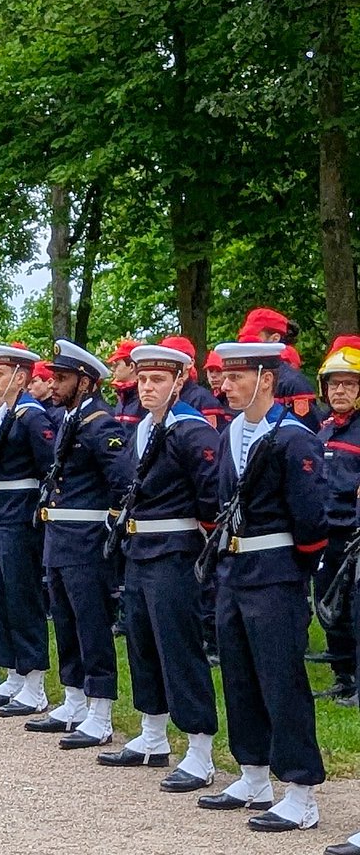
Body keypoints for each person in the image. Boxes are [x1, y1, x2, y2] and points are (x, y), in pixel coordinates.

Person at [196, 341, 327, 832]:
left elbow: (311, 517)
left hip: (275, 570)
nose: (225, 386)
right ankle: (253, 773)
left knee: (281, 679)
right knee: (239, 675)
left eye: (237, 378)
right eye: (225, 377)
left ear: (266, 380)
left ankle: (301, 790)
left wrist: (296, 567)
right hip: (234, 569)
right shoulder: (232, 433)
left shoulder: (293, 437)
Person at [97, 344, 220, 790]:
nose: (147, 388)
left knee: (178, 648)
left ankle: (200, 749)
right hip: (141, 547)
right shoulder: (146, 427)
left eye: (158, 380)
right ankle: (152, 734)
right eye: (144, 379)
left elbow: (212, 496)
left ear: (179, 381)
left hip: (175, 549)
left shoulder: (192, 430)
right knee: (142, 642)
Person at [29, 340, 130, 747]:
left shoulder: (101, 424)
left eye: (63, 378)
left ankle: (100, 710)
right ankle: (73, 699)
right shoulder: (72, 419)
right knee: (66, 622)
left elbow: (122, 481)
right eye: (54, 377)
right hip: (60, 537)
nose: (54, 384)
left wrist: (108, 528)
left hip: (86, 540)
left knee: (91, 624)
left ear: (86, 382)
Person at [0, 344, 55, 716]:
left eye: (1, 374)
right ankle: (13, 671)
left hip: (19, 514)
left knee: (21, 597)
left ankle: (34, 681)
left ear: (20, 378)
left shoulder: (31, 417)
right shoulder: (5, 414)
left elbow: (49, 467)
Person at [311, 342, 360, 703]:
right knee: (329, 607)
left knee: (356, 609)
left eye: (349, 384)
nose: (340, 390)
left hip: (354, 533)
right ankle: (343, 676)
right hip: (325, 532)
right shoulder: (323, 430)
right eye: (334, 383)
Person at [239, 307, 324, 429]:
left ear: (275, 339)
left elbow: (306, 431)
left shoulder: (293, 383)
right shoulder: (245, 377)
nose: (246, 343)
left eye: (254, 337)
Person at [108, 338, 144, 427]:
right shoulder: (123, 395)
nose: (112, 369)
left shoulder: (144, 398)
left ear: (131, 367)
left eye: (117, 365)